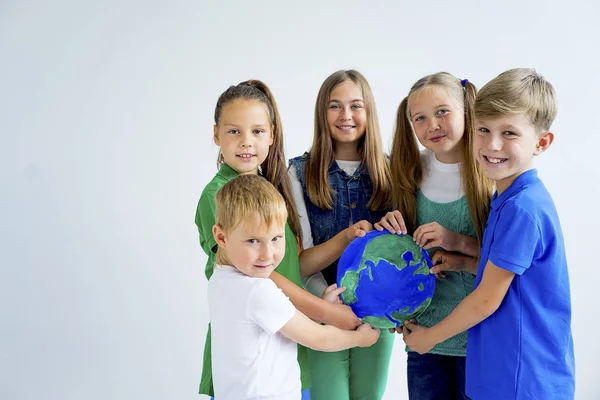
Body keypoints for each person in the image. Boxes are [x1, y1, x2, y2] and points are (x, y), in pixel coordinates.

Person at [403, 68, 575, 400]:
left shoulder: (521, 208)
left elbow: (485, 300)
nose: (492, 145)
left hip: (522, 376)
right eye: (484, 129)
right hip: (503, 369)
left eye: (509, 133)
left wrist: (430, 338)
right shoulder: (506, 198)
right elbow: (513, 280)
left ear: (542, 142)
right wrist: (462, 261)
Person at [195, 79, 362, 398]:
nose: (246, 142)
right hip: (250, 352)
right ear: (216, 134)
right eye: (234, 131)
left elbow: (291, 265)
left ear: (271, 134)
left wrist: (344, 239)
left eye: (257, 131)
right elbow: (262, 276)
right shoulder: (218, 196)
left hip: (286, 337)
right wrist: (325, 313)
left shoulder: (268, 191)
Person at [209, 174, 380, 400]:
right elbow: (318, 338)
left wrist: (323, 307)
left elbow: (278, 328)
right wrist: (360, 339)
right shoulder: (258, 291)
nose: (267, 254)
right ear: (221, 237)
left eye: (276, 238)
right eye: (253, 241)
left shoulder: (221, 279)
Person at [375, 72, 493, 399]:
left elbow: (505, 261)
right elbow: (406, 257)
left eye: (442, 112)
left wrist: (454, 242)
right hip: (424, 338)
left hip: (479, 338)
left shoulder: (490, 174)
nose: (433, 125)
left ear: (466, 111)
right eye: (420, 118)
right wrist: (390, 231)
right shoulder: (411, 173)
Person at [289, 70, 394, 399]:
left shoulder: (392, 171)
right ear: (322, 113)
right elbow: (302, 264)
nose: (346, 116)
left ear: (369, 112)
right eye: (335, 106)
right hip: (323, 313)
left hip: (378, 317)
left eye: (355, 106)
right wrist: (332, 306)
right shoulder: (297, 173)